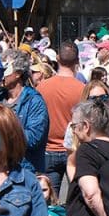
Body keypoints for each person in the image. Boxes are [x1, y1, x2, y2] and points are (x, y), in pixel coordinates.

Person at [36, 41, 85, 195]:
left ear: (57, 58)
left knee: (49, 200)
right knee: (78, 197)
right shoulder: (82, 90)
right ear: (77, 61)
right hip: (73, 150)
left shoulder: (42, 87)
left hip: (48, 150)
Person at [0, 50, 50, 173]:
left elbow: (33, 138)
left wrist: (4, 132)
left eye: (5, 69)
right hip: (0, 169)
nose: (1, 74)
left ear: (18, 73)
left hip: (25, 171)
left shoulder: (34, 101)